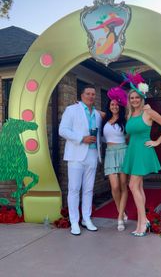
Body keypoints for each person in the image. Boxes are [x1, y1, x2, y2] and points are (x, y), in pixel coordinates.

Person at [122, 75, 161, 237]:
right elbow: (130, 135)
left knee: (132, 186)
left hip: (143, 151)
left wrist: (157, 142)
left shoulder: (148, 111)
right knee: (138, 186)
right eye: (132, 98)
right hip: (133, 151)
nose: (134, 100)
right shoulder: (130, 114)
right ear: (129, 100)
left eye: (137, 97)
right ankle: (142, 221)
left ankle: (143, 221)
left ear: (142, 97)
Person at [59, 85, 102, 235]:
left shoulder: (96, 114)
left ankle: (86, 219)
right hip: (76, 155)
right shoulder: (72, 110)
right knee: (74, 189)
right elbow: (62, 130)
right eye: (88, 93)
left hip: (92, 155)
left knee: (89, 189)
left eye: (93, 94)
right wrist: (81, 138)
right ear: (82, 95)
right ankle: (74, 222)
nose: (91, 96)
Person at [102, 86, 128, 231]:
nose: (114, 106)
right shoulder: (104, 118)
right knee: (115, 186)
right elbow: (91, 111)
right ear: (109, 106)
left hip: (123, 151)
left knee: (123, 185)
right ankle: (121, 211)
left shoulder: (125, 119)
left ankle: (119, 217)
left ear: (120, 106)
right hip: (110, 153)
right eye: (112, 104)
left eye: (117, 104)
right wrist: (78, 105)